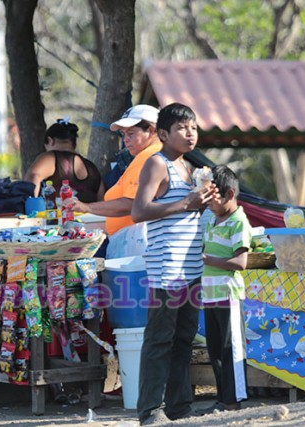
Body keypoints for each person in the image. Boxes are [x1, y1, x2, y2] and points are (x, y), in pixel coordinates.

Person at [131, 103, 217, 425]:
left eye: (193, 127)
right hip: (167, 268)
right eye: (182, 128)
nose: (190, 133)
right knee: (159, 339)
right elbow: (139, 212)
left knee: (184, 339)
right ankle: (150, 410)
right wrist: (186, 203)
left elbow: (192, 213)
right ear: (163, 134)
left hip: (192, 267)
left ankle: (179, 407)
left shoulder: (190, 168)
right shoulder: (157, 164)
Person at [65, 105, 162, 255]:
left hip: (137, 243)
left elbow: (131, 204)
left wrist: (86, 207)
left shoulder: (148, 157)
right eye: (123, 134)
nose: (126, 140)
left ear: (151, 130)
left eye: (131, 133)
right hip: (133, 240)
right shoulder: (150, 156)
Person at [198, 165, 251, 415]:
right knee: (216, 351)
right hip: (210, 295)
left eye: (213, 197)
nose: (209, 202)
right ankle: (222, 398)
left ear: (229, 194)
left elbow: (241, 262)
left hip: (228, 295)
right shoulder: (211, 218)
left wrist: (210, 260)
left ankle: (232, 401)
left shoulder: (238, 221)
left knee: (231, 351)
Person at [23, 119, 104, 203]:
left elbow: (33, 178)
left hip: (57, 215)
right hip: (92, 216)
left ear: (50, 141)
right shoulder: (92, 168)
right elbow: (101, 200)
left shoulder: (50, 157)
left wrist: (30, 208)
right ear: (74, 143)